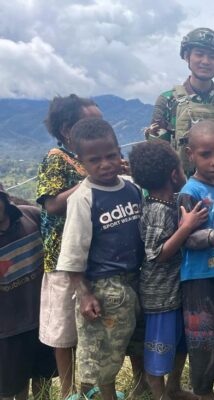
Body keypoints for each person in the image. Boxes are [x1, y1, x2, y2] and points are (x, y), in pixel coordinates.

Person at [56, 118, 144, 400]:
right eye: (95, 160)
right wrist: (83, 294)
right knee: (103, 355)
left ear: (120, 152)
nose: (105, 164)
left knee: (137, 342)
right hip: (104, 288)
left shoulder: (132, 186)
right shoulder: (83, 198)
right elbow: (72, 253)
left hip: (137, 279)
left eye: (111, 156)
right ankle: (105, 395)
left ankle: (142, 386)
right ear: (81, 163)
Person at [129, 141, 208, 400]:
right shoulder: (155, 210)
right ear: (174, 174)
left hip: (175, 292)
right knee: (159, 351)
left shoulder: (171, 203)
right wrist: (186, 228)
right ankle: (160, 394)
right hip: (160, 298)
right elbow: (158, 253)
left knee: (180, 344)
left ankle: (173, 387)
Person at [36, 94, 102, 399]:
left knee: (90, 327)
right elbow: (51, 205)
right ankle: (67, 392)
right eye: (90, 122)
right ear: (67, 130)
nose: (98, 128)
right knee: (65, 331)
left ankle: (90, 388)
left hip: (91, 256)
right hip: (63, 257)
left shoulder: (91, 157)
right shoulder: (56, 158)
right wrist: (90, 178)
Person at [176, 120, 214, 400]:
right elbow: (187, 237)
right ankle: (203, 393)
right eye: (205, 154)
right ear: (191, 155)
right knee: (203, 339)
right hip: (199, 279)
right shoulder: (191, 192)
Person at [145, 27, 214, 176]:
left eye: (212, 57)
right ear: (187, 56)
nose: (205, 61)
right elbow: (156, 155)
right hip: (179, 190)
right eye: (199, 54)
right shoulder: (168, 100)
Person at [0, 185, 56, 400]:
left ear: (4, 198)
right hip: (7, 330)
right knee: (12, 388)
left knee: (43, 380)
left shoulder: (30, 217)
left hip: (41, 319)